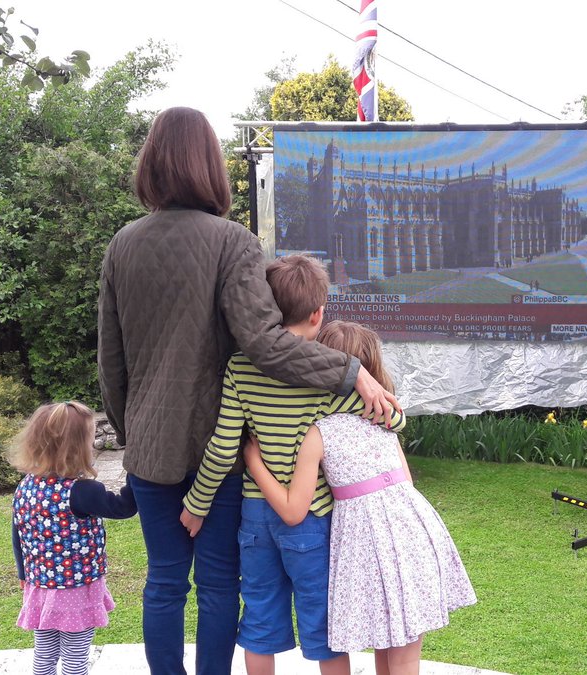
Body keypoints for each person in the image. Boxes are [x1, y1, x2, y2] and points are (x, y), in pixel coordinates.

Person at [97, 106, 399, 675]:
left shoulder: (122, 245)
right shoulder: (232, 242)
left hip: (150, 453)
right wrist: (349, 371)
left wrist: (135, 436)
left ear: (152, 164)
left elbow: (111, 365)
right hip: (222, 447)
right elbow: (263, 343)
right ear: (209, 166)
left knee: (163, 582)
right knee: (216, 585)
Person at [179, 255, 405, 675]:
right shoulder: (322, 370)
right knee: (323, 624)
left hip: (255, 514)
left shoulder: (240, 366)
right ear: (318, 314)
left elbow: (225, 444)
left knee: (260, 616)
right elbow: (391, 417)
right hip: (312, 520)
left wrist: (197, 503)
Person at [244, 321, 477, 675]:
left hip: (367, 550)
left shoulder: (318, 434)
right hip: (412, 537)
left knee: (393, 653)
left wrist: (253, 461)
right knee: (398, 653)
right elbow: (406, 480)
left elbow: (293, 511)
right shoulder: (385, 417)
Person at [8, 401, 137, 675]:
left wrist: (23, 573)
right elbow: (124, 508)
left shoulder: (26, 485)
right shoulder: (82, 491)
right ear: (77, 448)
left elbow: (17, 532)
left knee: (44, 655)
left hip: (40, 587)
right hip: (76, 589)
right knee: (75, 659)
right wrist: (138, 472)